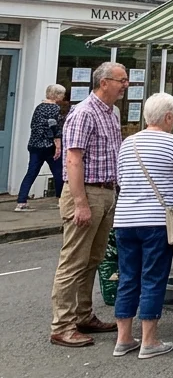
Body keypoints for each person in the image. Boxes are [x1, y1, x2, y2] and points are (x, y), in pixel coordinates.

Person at [112, 93, 173, 359]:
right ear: (168, 116)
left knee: (128, 277)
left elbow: (119, 178)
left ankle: (123, 338)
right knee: (153, 277)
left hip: (125, 219)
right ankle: (149, 340)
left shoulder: (128, 143)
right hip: (156, 220)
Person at [49, 62, 126, 348]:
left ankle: (83, 315)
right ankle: (62, 325)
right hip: (86, 193)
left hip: (106, 192)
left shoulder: (110, 113)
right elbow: (73, 160)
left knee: (93, 259)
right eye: (121, 79)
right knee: (73, 262)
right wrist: (80, 202)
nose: (125, 85)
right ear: (104, 82)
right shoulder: (84, 113)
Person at [16, 83, 66, 211]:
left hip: (34, 145)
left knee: (31, 172)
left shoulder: (39, 107)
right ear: (57, 95)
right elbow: (55, 128)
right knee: (58, 172)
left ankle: (21, 202)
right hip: (49, 146)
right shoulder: (55, 109)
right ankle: (61, 200)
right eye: (62, 94)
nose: (64, 96)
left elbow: (34, 126)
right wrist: (58, 146)